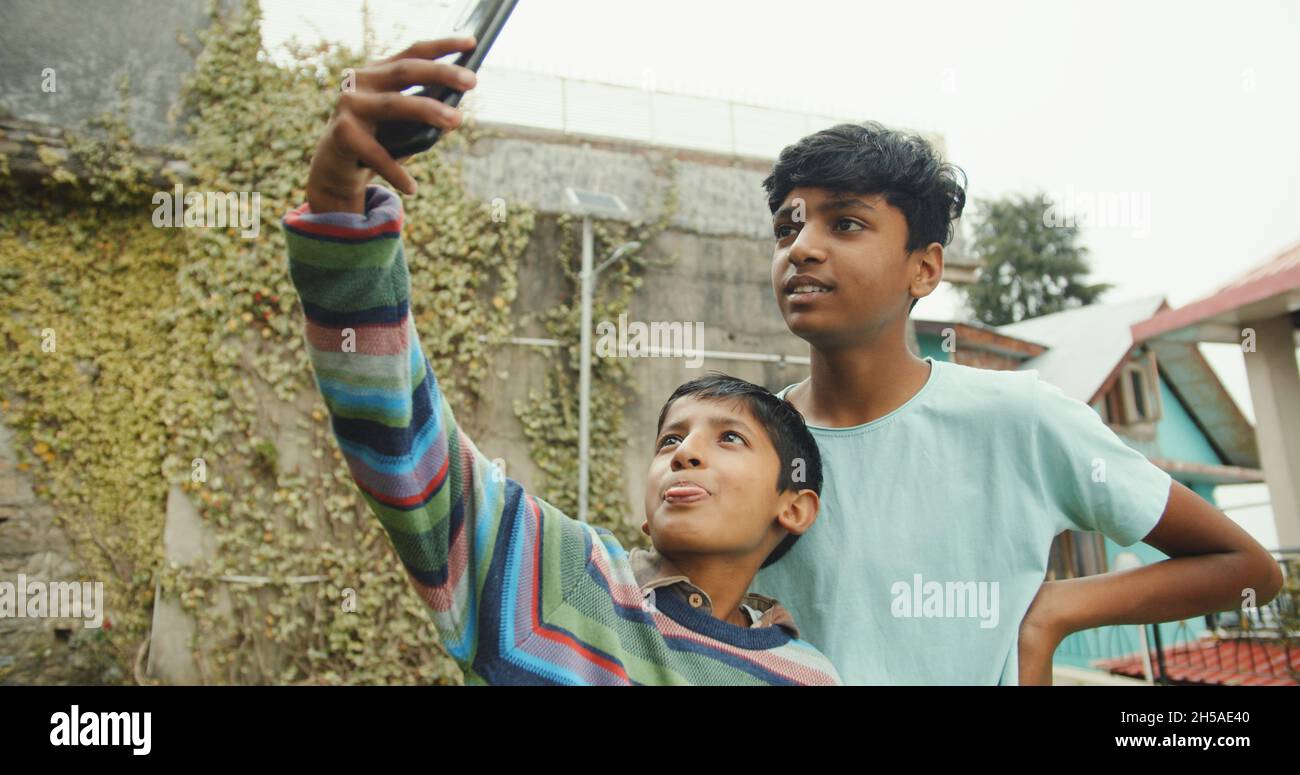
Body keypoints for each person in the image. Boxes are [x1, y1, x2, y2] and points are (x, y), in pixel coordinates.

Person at [282, 36, 840, 685]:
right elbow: (404, 437)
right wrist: (336, 195)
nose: (683, 454)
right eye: (670, 440)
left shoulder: (808, 675)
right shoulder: (563, 579)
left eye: (731, 437)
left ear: (794, 506)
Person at [748, 120, 1285, 684]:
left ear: (924, 269)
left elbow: (1246, 568)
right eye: (787, 229)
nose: (802, 247)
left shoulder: (1018, 418)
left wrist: (1052, 613)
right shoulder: (746, 445)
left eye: (847, 224)